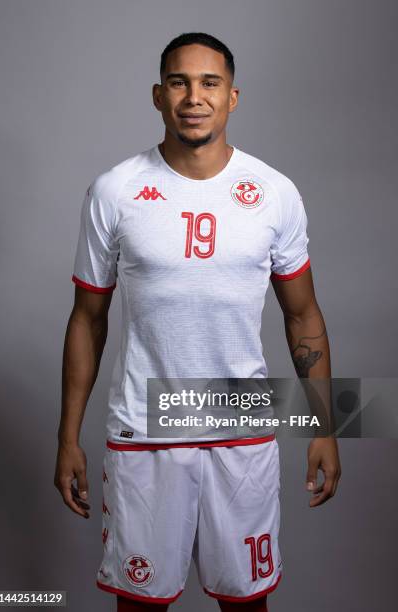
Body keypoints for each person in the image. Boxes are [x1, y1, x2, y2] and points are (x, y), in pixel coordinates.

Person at [54, 32, 341, 612]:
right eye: (180, 82)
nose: (195, 96)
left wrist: (325, 426)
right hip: (145, 429)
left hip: (241, 425)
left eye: (210, 82)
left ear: (232, 97)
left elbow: (303, 314)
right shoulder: (115, 190)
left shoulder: (273, 193)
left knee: (245, 603)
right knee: (139, 604)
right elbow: (88, 318)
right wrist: (68, 437)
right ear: (158, 96)